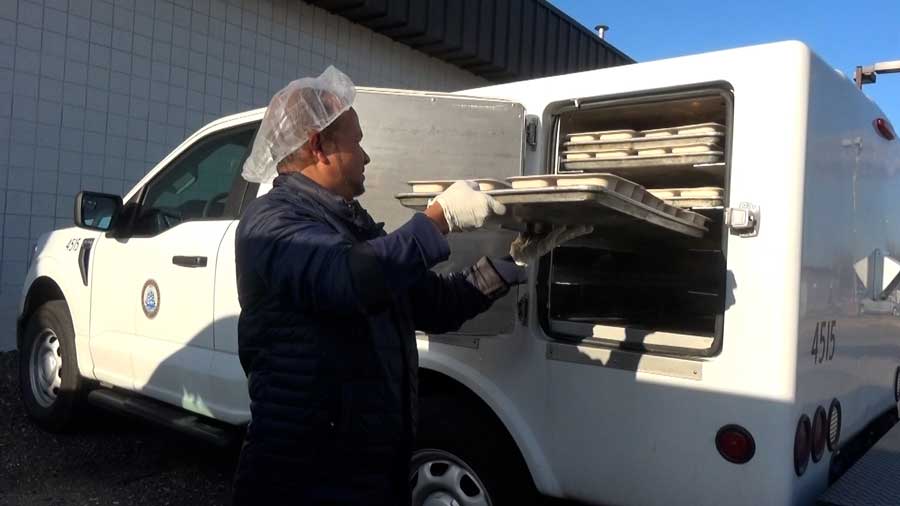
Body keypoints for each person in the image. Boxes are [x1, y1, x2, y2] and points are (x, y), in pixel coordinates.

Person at [232, 66, 589, 506]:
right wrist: (438, 219)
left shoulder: (350, 222)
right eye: (356, 142)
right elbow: (349, 280)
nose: (366, 157)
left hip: (370, 470)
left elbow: (434, 304)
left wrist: (511, 263)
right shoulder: (272, 222)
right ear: (318, 146)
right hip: (304, 475)